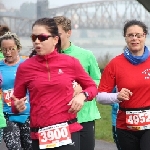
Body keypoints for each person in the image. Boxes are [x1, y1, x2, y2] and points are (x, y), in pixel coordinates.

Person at [11, 18, 98, 150]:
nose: (36, 41)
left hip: (67, 130)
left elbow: (92, 87)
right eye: (34, 37)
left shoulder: (70, 62)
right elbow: (15, 102)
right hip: (39, 133)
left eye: (42, 37)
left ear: (55, 40)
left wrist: (82, 96)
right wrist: (17, 106)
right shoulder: (25, 68)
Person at [96, 19, 150, 150]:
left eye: (138, 35)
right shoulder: (115, 64)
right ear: (125, 38)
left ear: (145, 36)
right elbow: (100, 96)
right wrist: (116, 96)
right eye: (130, 35)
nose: (134, 38)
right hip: (125, 126)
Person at [53, 16, 101, 150]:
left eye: (58, 34)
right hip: (57, 118)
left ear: (69, 33)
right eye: (52, 34)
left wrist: (83, 88)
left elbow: (98, 80)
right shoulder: (46, 58)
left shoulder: (86, 55)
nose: (55, 38)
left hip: (84, 116)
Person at [0, 31, 32, 150]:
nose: (8, 53)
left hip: (28, 115)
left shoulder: (28, 64)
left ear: (18, 48)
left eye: (11, 49)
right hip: (8, 115)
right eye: (4, 49)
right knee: (14, 147)